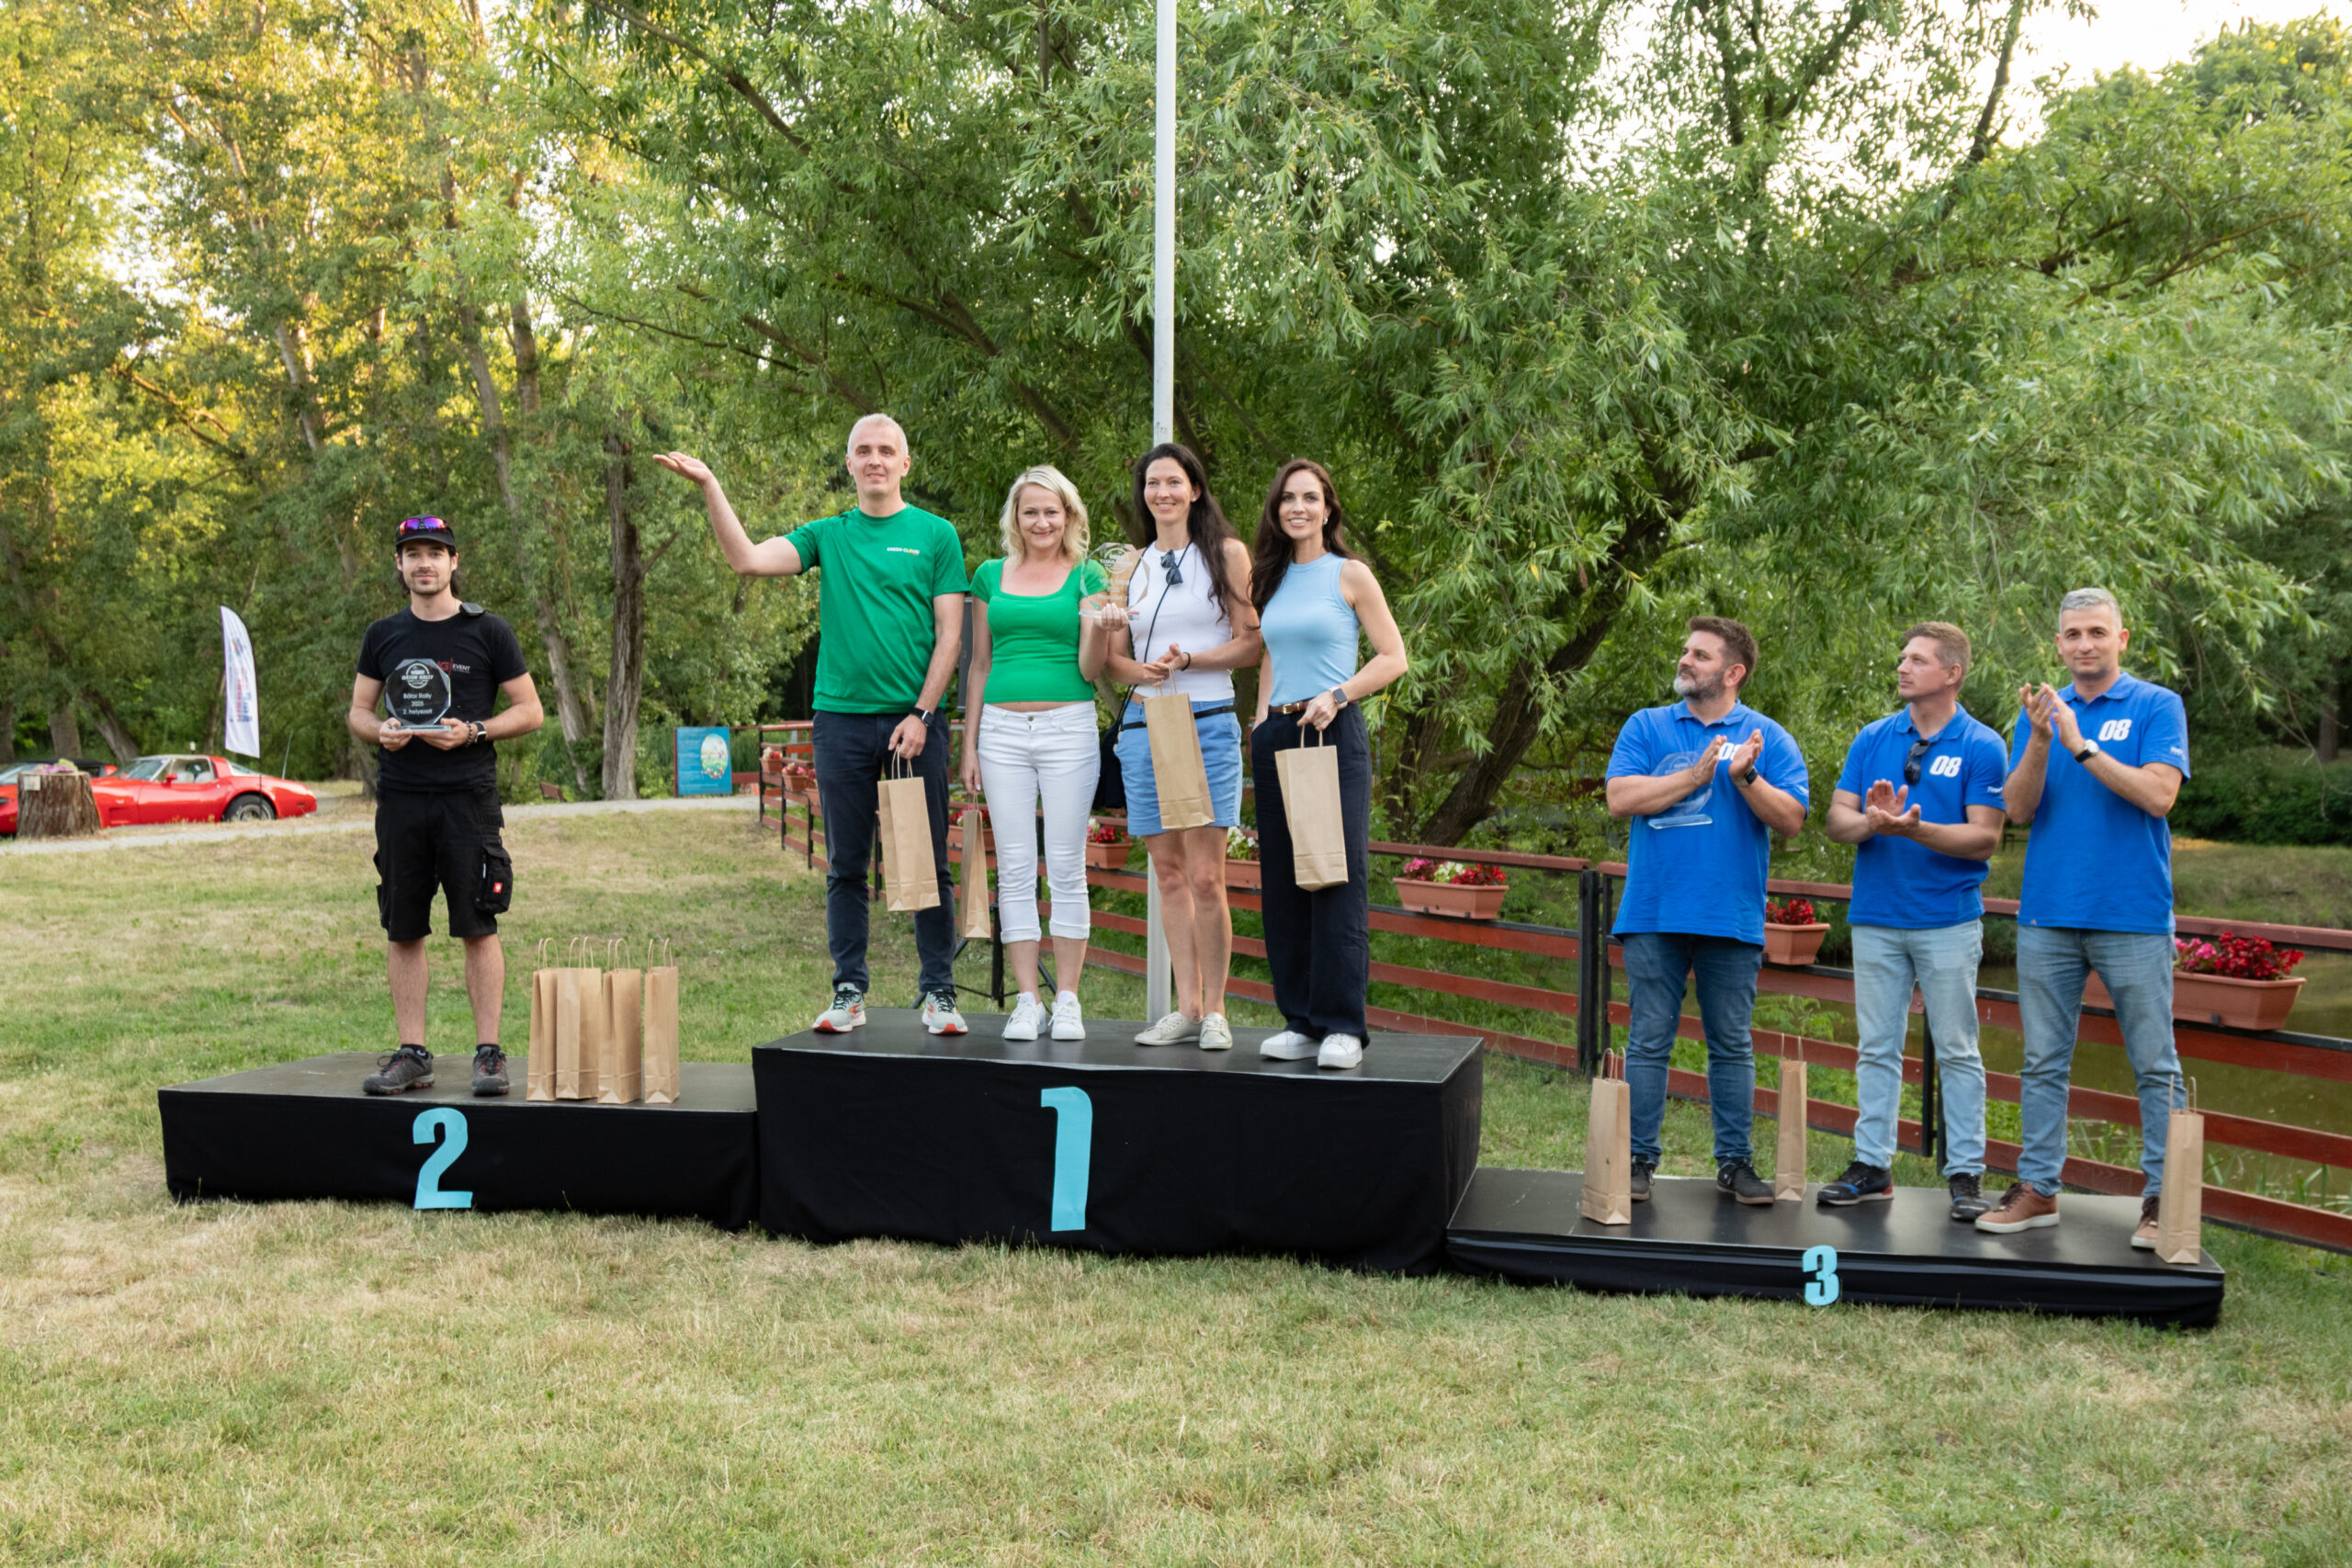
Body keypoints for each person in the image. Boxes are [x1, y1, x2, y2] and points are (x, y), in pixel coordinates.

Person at [654, 417, 971, 1036]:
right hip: (842, 725)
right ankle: (849, 991)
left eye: (886, 451)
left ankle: (939, 993)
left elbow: (951, 636)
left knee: (923, 863)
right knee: (846, 865)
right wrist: (711, 484)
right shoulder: (828, 534)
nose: (875, 460)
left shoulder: (935, 535)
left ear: (905, 463)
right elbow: (746, 559)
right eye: (863, 451)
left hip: (913, 726)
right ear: (849, 464)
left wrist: (922, 714)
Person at [1982, 588, 2190, 1247]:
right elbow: (2017, 809)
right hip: (2049, 914)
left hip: (2132, 914)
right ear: (2058, 644)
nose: (2085, 644)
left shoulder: (2156, 705)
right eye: (2072, 634)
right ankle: (2038, 1188)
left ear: (2121, 639)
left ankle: (2165, 1199)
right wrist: (2044, 739)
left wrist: (2081, 745)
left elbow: (2159, 796)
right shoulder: (2042, 713)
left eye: (2097, 632)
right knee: (2042, 1060)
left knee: (2155, 1064)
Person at [1605, 616, 1809, 1205]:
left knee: (1731, 1044)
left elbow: (1792, 819)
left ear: (1733, 672)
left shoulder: (1768, 736)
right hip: (1654, 911)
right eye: (1686, 650)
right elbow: (1620, 797)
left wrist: (1746, 777)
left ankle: (1735, 1164)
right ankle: (1638, 1161)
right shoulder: (1647, 725)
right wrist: (1695, 775)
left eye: (1700, 654)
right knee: (1648, 1040)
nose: (1685, 660)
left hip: (1730, 914)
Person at [346, 515, 545, 1096]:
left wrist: (475, 731)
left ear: (454, 562)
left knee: (478, 925)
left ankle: (489, 1055)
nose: (424, 563)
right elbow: (359, 711)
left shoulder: (489, 631)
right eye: (413, 553)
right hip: (401, 799)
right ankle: (413, 1055)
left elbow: (530, 710)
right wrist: (379, 731)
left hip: (467, 800)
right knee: (403, 927)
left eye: (435, 553)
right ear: (399, 564)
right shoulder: (383, 634)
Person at [1819, 623, 2007, 1220]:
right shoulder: (1873, 737)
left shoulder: (1982, 744)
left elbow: (1984, 838)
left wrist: (1914, 829)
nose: (1902, 666)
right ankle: (1872, 1165)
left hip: (1948, 919)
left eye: (1918, 659)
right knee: (1877, 1047)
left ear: (1952, 673)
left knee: (1957, 1049)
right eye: (1902, 657)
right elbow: (1837, 821)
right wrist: (1875, 823)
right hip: (1876, 917)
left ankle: (1965, 1175)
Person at [1089, 444, 1261, 1052]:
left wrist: (1191, 660)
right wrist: (1136, 667)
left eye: (1173, 482)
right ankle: (1186, 1006)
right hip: (1145, 724)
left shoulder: (1227, 554)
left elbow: (1251, 644)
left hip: (1206, 719)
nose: (1162, 492)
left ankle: (1216, 1009)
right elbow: (1110, 660)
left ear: (1194, 489)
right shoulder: (1127, 565)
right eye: (1152, 483)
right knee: (1167, 874)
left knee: (1207, 876)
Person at [1246, 459, 1408, 1070]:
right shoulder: (1269, 577)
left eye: (1310, 498)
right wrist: (1260, 718)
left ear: (1328, 508)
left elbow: (1393, 657)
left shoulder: (1350, 574)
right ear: (1276, 509)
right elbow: (1271, 652)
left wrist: (1338, 694)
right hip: (1278, 734)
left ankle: (1343, 1025)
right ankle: (1302, 1021)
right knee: (1284, 883)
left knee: (1334, 879)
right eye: (1288, 498)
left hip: (1329, 730)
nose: (1298, 508)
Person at [960, 465, 1113, 1042]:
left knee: (1067, 866)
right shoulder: (989, 575)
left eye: (1052, 511)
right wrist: (970, 744)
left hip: (1068, 728)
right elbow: (979, 664)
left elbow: (1091, 668)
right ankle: (1028, 1001)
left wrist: (1100, 625)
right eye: (1031, 511)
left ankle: (1067, 999)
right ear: (1016, 518)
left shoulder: (1089, 574)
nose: (1042, 521)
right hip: (1000, 732)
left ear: (1068, 515)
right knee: (1016, 868)